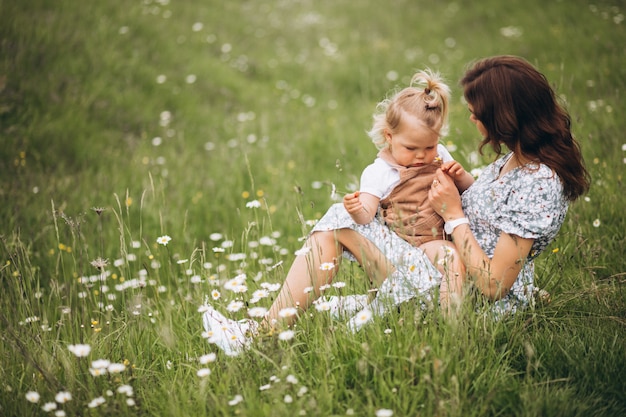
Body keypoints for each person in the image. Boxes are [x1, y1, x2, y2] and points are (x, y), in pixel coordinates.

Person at [202, 70, 474, 356]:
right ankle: (263, 333)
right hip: (401, 252)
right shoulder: (379, 172)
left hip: (433, 244)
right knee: (340, 218)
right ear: (389, 137)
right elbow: (367, 215)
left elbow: (468, 188)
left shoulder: (441, 154)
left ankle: (452, 333)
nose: (421, 156)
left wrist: (461, 175)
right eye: (411, 148)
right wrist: (357, 210)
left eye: (429, 147)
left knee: (449, 254)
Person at [428, 55, 590, 316]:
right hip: (452, 274)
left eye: (475, 113)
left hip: (476, 306)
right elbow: (493, 213)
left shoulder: (538, 183)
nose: (471, 119)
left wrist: (452, 214)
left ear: (502, 118)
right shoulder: (518, 156)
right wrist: (462, 183)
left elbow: (494, 285)